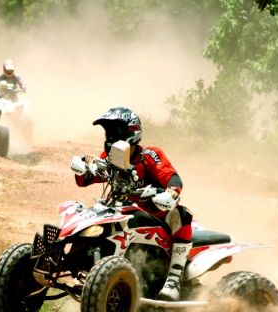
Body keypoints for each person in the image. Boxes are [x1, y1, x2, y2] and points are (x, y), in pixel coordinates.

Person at [71, 106, 193, 301]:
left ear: (131, 132)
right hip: (122, 211)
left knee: (182, 214)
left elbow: (172, 178)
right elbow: (86, 180)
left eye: (115, 131)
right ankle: (72, 263)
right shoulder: (110, 158)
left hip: (154, 213)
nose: (110, 136)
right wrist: (86, 167)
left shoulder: (150, 155)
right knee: (87, 216)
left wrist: (171, 191)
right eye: (108, 132)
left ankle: (173, 280)